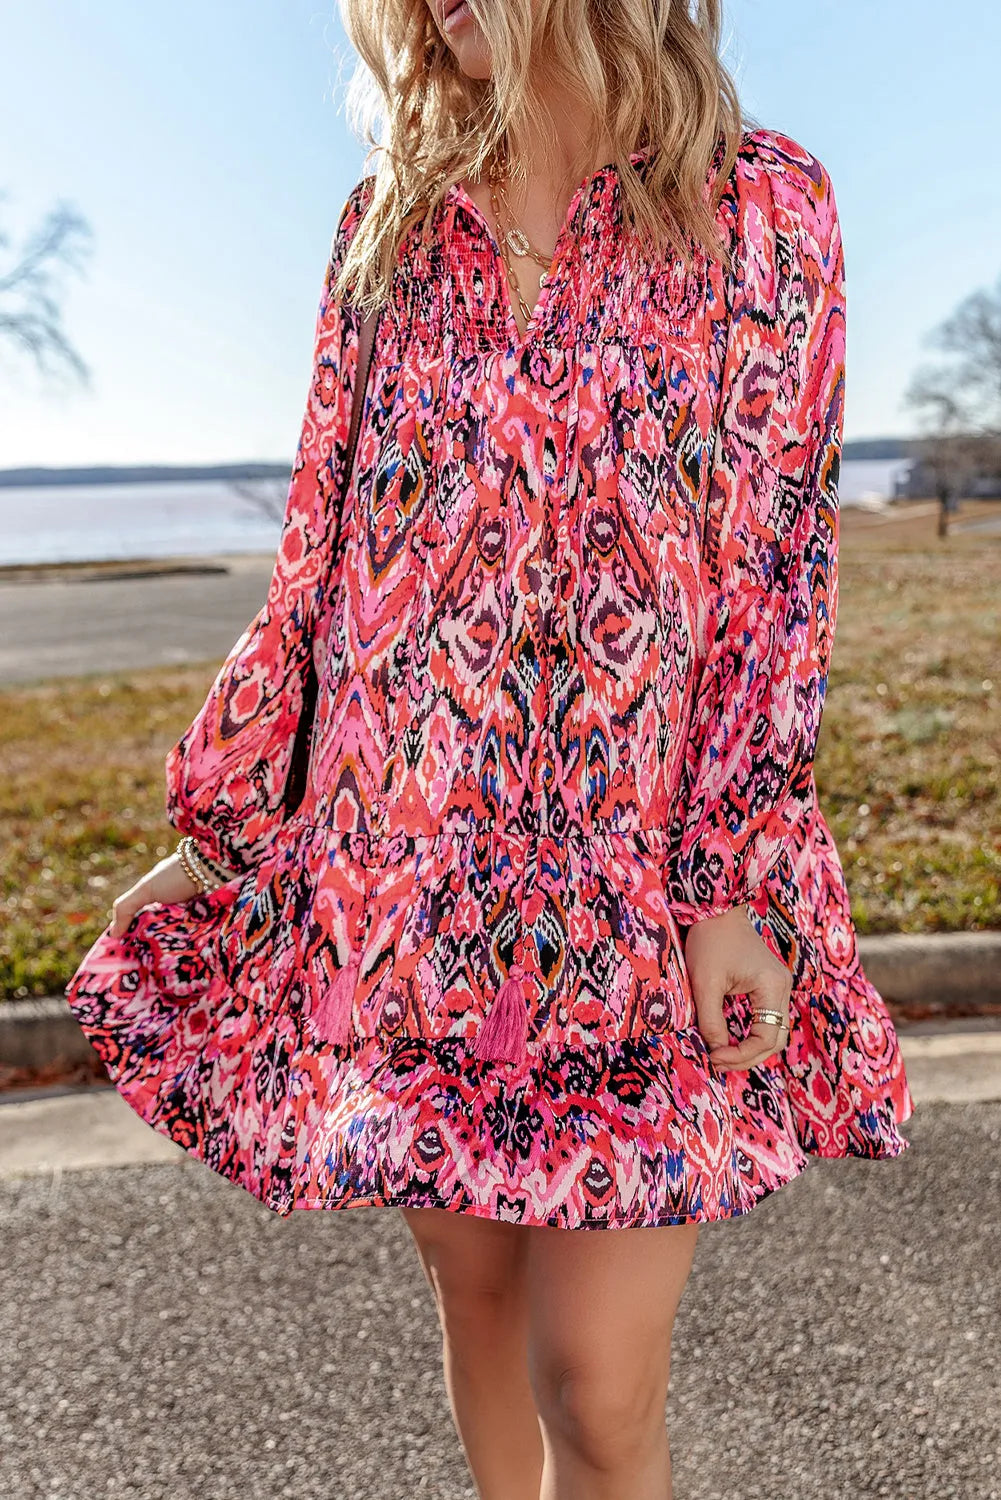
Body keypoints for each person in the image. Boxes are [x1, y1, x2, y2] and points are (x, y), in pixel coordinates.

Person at [65, 1, 914, 1495]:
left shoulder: (765, 208)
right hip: (402, 872)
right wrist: (227, 820)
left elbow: (778, 571)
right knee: (477, 1296)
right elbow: (321, 563)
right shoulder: (387, 230)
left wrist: (725, 877)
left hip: (633, 875)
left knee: (597, 1384)